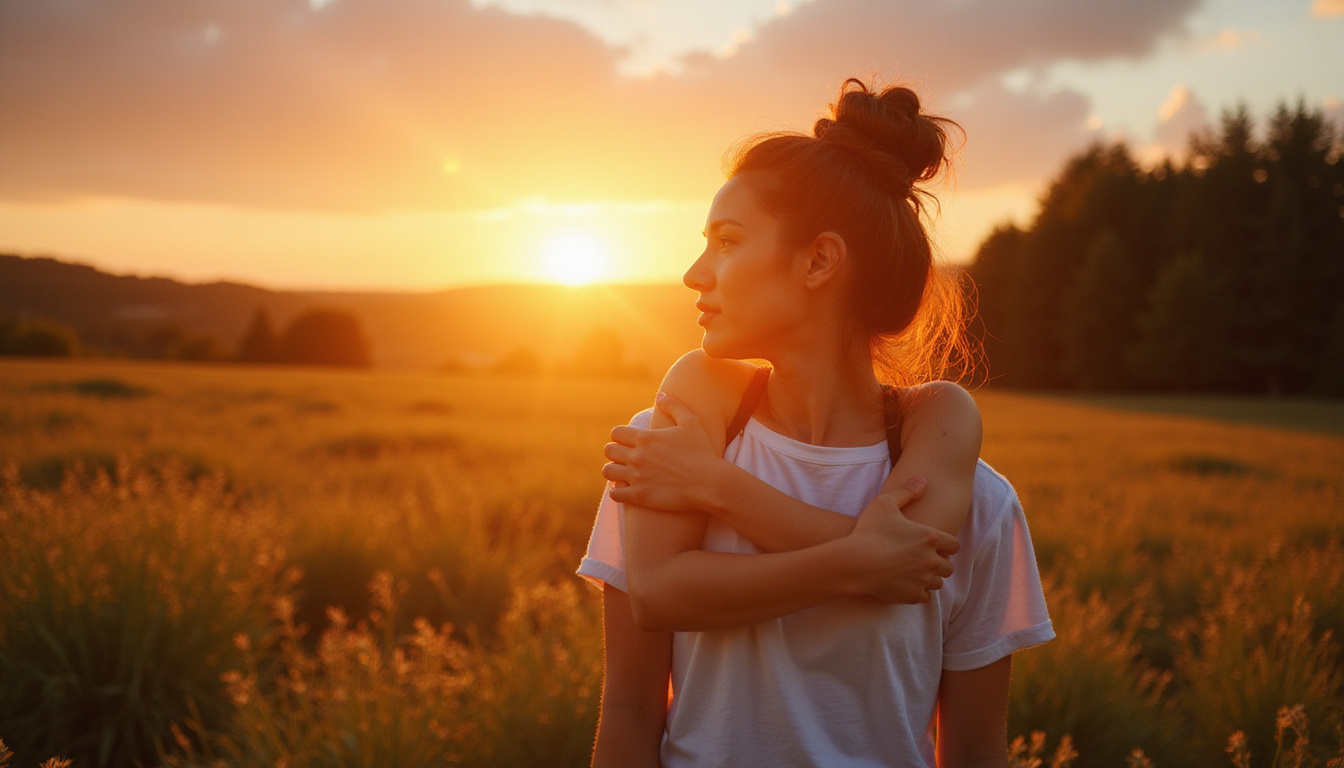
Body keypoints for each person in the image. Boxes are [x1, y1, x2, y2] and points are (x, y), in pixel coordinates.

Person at [577, 78, 1053, 767]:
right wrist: (859, 561)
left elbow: (976, 750)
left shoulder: (978, 503)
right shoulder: (673, 444)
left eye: (728, 242)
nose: (694, 273)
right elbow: (627, 708)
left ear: (819, 261)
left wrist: (715, 486)